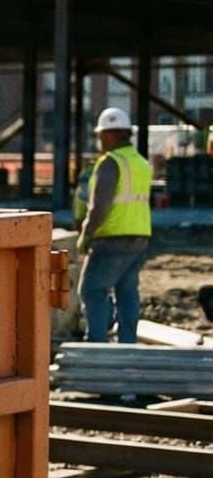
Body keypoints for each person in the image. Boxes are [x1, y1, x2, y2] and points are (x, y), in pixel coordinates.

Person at [76, 107, 151, 345]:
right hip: (139, 237)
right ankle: (127, 344)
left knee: (92, 290)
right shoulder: (141, 163)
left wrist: (86, 235)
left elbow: (100, 206)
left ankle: (96, 343)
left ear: (109, 135)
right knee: (127, 292)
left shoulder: (111, 163)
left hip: (111, 237)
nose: (100, 141)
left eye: (101, 136)